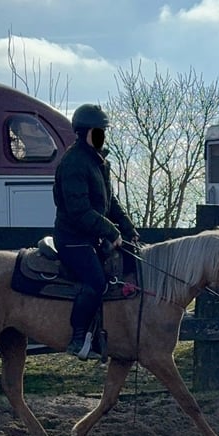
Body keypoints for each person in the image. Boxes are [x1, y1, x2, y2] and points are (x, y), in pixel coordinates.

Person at [52, 103, 139, 359]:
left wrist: (128, 228)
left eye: (104, 131)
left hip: (90, 237)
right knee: (96, 281)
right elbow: (79, 211)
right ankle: (77, 337)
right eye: (99, 130)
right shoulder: (73, 163)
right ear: (84, 132)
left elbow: (110, 203)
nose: (103, 135)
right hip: (72, 239)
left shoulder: (99, 163)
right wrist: (111, 232)